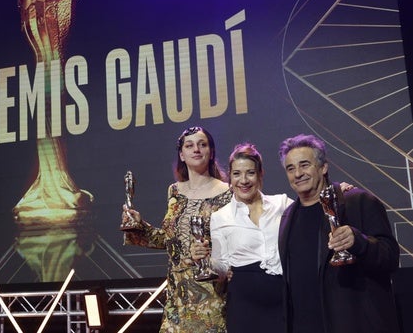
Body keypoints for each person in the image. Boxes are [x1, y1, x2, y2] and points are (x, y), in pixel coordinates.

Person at [277, 134, 400, 333]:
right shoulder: (288, 216)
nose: (298, 173)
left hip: (354, 324)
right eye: (291, 168)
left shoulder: (357, 202)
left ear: (323, 167)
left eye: (305, 165)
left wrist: (359, 242)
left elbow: (391, 258)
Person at [122, 126, 232, 332]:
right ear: (182, 155)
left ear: (211, 152)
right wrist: (139, 225)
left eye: (202, 144)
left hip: (211, 294)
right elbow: (170, 240)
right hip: (177, 296)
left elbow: (233, 242)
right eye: (189, 146)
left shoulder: (227, 192)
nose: (196, 149)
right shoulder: (174, 191)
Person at [208, 143, 292, 333]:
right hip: (244, 304)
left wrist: (338, 191)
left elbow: (309, 210)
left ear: (260, 174)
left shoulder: (282, 204)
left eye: (250, 173)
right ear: (230, 176)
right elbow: (221, 265)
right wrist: (206, 262)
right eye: (237, 174)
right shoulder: (220, 217)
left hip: (283, 299)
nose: (243, 180)